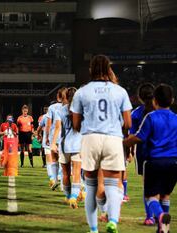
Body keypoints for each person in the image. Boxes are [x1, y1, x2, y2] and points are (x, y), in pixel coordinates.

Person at [70, 55, 132, 233]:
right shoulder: (120, 91)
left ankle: (94, 229)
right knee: (113, 183)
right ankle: (112, 220)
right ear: (108, 68)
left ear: (91, 69)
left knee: (91, 186)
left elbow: (75, 124)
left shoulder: (82, 91)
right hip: (112, 138)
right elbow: (128, 123)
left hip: (90, 138)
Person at [124, 84, 176, 233]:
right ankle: (162, 229)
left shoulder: (151, 117)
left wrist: (123, 143)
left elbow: (139, 137)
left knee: (151, 196)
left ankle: (159, 216)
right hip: (173, 162)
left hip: (154, 161)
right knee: (165, 195)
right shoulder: (176, 118)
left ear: (155, 101)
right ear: (172, 100)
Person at [127, 83, 156, 225]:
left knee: (148, 185)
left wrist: (128, 151)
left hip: (144, 154)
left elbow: (132, 135)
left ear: (139, 97)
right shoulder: (162, 111)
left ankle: (150, 216)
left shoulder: (136, 113)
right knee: (162, 186)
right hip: (165, 154)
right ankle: (161, 213)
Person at [51, 87, 83, 209]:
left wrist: (53, 143)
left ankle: (68, 196)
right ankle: (74, 197)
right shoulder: (81, 110)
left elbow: (58, 128)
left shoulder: (61, 109)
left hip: (64, 145)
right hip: (77, 145)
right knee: (76, 173)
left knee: (65, 174)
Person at [45, 88, 68, 190]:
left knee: (54, 159)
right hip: (65, 136)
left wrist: (47, 136)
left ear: (58, 96)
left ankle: (54, 180)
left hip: (54, 135)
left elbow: (49, 124)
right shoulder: (68, 107)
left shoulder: (52, 107)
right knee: (64, 161)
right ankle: (63, 184)